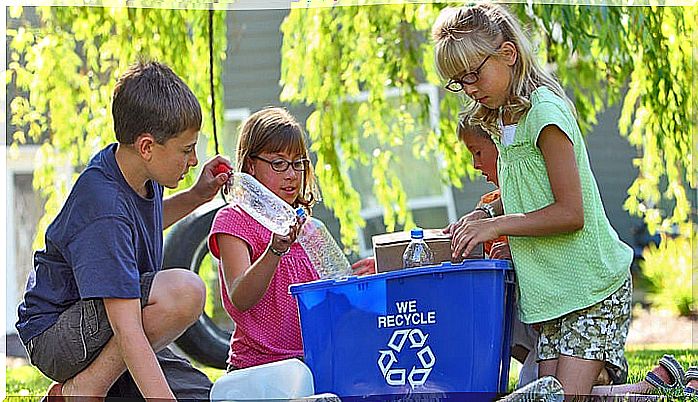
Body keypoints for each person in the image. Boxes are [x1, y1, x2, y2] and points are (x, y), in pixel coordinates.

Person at [432, 4, 638, 399]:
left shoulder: (544, 115)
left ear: (508, 54)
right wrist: (486, 211)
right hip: (553, 295)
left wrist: (496, 225)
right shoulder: (501, 119)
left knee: (562, 396)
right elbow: (525, 191)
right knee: (546, 392)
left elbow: (570, 212)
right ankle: (649, 385)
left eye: (474, 74)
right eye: (460, 82)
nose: (471, 88)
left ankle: (643, 383)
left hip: (591, 287)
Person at [15, 60, 231, 400]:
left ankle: (82, 389)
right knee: (185, 291)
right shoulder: (104, 206)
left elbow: (140, 226)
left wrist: (196, 196)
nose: (192, 161)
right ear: (147, 147)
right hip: (57, 335)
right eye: (186, 150)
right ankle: (86, 389)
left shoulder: (135, 171)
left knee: (201, 393)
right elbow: (126, 328)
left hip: (95, 327)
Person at [208, 107, 373, 371]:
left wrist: (358, 281)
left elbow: (330, 301)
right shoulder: (234, 220)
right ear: (251, 164)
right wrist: (274, 251)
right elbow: (240, 296)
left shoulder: (309, 228)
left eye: (298, 163)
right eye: (278, 163)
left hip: (313, 364)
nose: (291, 175)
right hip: (259, 370)